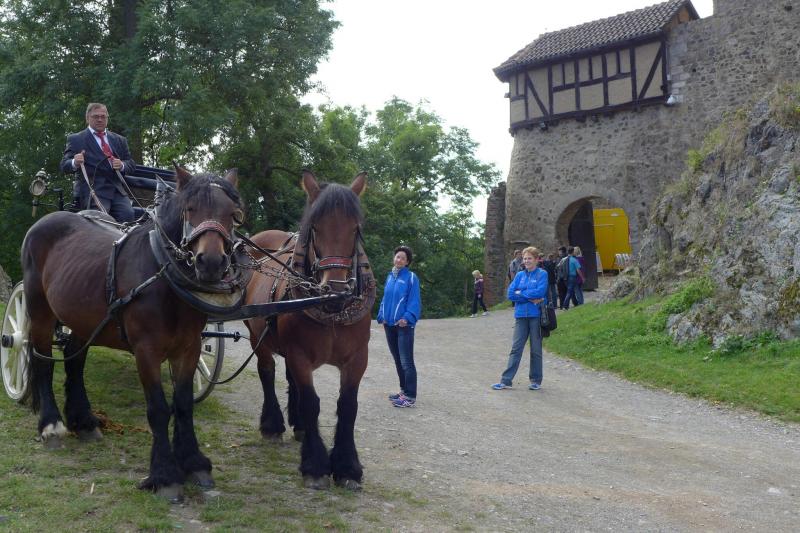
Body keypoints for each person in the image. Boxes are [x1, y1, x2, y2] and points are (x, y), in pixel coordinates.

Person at [60, 102, 137, 222]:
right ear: (87, 118)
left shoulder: (119, 140)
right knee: (100, 219)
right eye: (96, 116)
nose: (100, 119)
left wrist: (122, 165)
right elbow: (64, 166)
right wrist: (75, 161)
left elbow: (131, 164)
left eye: (103, 116)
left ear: (107, 118)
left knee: (128, 215)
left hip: (117, 190)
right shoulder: (76, 139)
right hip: (93, 190)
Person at [491, 246, 548, 391]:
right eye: (525, 258)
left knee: (536, 350)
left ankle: (536, 380)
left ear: (536, 259)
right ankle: (506, 381)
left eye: (529, 258)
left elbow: (540, 292)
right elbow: (510, 294)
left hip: (536, 316)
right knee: (516, 349)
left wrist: (520, 293)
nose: (526, 261)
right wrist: (529, 297)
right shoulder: (519, 275)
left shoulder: (542, 274)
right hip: (521, 316)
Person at [377, 245, 422, 408]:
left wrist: (407, 318)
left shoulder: (411, 277)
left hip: (404, 326)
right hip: (389, 325)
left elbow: (415, 300)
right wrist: (381, 315)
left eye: (403, 258)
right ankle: (403, 391)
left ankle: (410, 396)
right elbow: (385, 298)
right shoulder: (390, 277)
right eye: (398, 256)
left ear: (407, 262)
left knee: (406, 361)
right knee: (398, 360)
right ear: (394, 258)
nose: (399, 260)